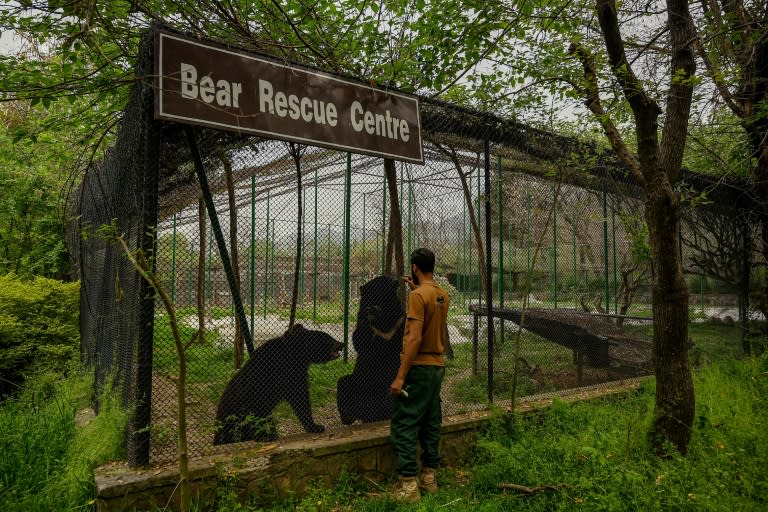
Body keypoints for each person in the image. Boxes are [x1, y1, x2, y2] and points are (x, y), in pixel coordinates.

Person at [390, 248, 450, 502]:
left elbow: (414, 337)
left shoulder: (417, 297)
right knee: (430, 420)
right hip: (437, 366)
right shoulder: (442, 295)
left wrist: (401, 376)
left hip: (420, 367)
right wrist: (417, 288)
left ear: (414, 267)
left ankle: (408, 486)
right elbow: (432, 316)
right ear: (432, 267)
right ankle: (429, 477)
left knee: (404, 422)